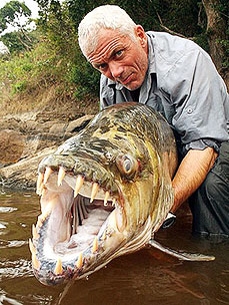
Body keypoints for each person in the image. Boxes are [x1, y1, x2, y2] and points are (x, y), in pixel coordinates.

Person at [78, 5, 229, 238]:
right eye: (102, 66)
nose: (115, 72)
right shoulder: (108, 81)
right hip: (165, 150)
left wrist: (158, 212)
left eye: (118, 53)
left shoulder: (187, 62)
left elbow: (204, 147)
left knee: (211, 188)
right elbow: (114, 146)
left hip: (214, 139)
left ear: (139, 36)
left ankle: (215, 259)